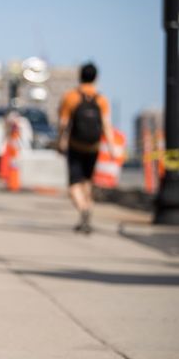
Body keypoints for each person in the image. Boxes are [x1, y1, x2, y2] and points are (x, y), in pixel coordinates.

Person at [57, 62, 115, 234]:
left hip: (75, 145)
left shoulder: (70, 97)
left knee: (74, 184)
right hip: (93, 147)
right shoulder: (101, 99)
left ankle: (83, 208)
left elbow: (63, 123)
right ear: (96, 77)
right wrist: (112, 148)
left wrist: (61, 141)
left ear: (80, 75)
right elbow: (106, 125)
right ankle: (88, 207)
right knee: (87, 180)